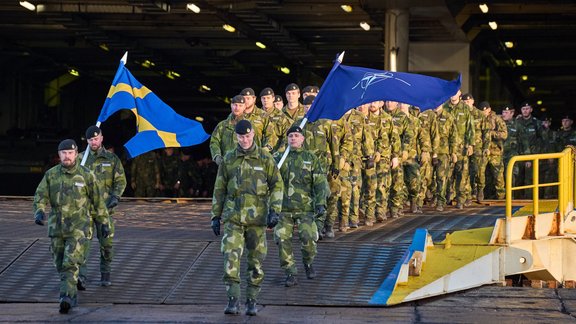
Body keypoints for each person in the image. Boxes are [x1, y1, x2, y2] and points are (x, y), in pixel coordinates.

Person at [210, 120, 283, 316]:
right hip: (233, 217)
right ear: (236, 137)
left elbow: (277, 184)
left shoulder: (265, 158)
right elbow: (220, 188)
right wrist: (215, 216)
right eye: (241, 136)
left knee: (256, 262)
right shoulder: (229, 159)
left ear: (253, 136)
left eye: (248, 136)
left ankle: (252, 300)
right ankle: (233, 300)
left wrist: (275, 210)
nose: (244, 140)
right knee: (230, 258)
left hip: (257, 220)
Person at [33, 139, 110, 314]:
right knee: (60, 264)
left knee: (70, 263)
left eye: (70, 153)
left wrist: (104, 223)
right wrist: (39, 211)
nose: (67, 156)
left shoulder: (86, 175)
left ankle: (66, 297)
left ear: (76, 154)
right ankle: (71, 292)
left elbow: (98, 202)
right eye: (63, 153)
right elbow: (40, 195)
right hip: (56, 229)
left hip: (79, 228)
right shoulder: (51, 175)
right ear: (59, 155)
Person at [273, 126, 327, 287]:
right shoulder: (278, 158)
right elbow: (268, 182)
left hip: (305, 209)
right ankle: (290, 271)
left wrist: (320, 204)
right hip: (283, 209)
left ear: (303, 139)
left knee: (309, 238)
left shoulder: (311, 158)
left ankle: (308, 262)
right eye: (290, 136)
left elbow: (320, 183)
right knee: (282, 239)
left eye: (296, 135)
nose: (293, 138)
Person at [78, 126, 126, 288]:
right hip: (85, 211)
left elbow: (120, 180)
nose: (94, 142)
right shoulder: (80, 159)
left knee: (106, 244)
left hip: (105, 211)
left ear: (101, 138)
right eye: (91, 140)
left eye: (96, 138)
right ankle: (81, 277)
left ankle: (105, 274)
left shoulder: (112, 159)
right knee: (83, 244)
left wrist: (115, 197)